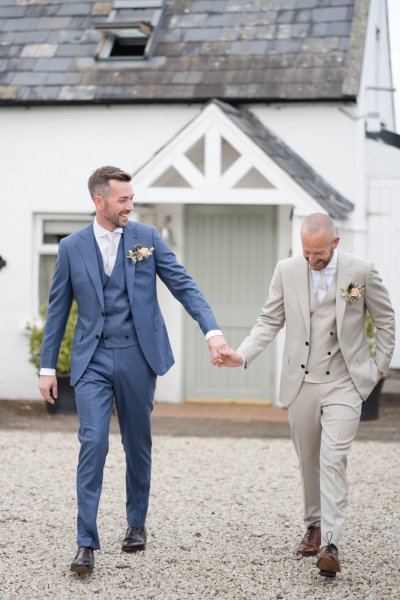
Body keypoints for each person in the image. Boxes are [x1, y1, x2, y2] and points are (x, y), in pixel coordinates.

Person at [39, 166, 226, 575]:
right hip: (92, 360)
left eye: (131, 198)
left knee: (137, 443)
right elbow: (58, 310)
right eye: (123, 199)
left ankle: (136, 523)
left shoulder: (146, 239)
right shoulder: (72, 247)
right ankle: (85, 543)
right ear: (99, 201)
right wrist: (48, 366)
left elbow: (184, 285)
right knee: (93, 444)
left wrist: (211, 331)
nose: (130, 205)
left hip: (139, 357)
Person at [217, 213, 395, 578]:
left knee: (333, 458)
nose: (312, 260)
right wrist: (243, 353)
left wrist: (378, 369)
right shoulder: (286, 270)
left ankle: (330, 542)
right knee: (309, 458)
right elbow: (269, 320)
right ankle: (313, 524)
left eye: (319, 254)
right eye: (307, 252)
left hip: (346, 382)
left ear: (335, 243)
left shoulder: (361, 272)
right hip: (301, 382)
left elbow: (386, 320)